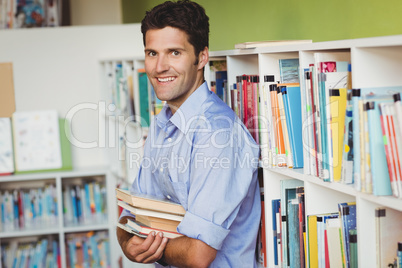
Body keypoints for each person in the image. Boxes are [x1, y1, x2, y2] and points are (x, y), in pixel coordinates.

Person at [117, 1, 261, 267]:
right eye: (151, 53)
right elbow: (130, 215)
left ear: (202, 57)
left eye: (174, 53)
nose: (159, 67)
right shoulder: (163, 124)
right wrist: (128, 243)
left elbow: (198, 255)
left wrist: (149, 246)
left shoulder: (219, 134)